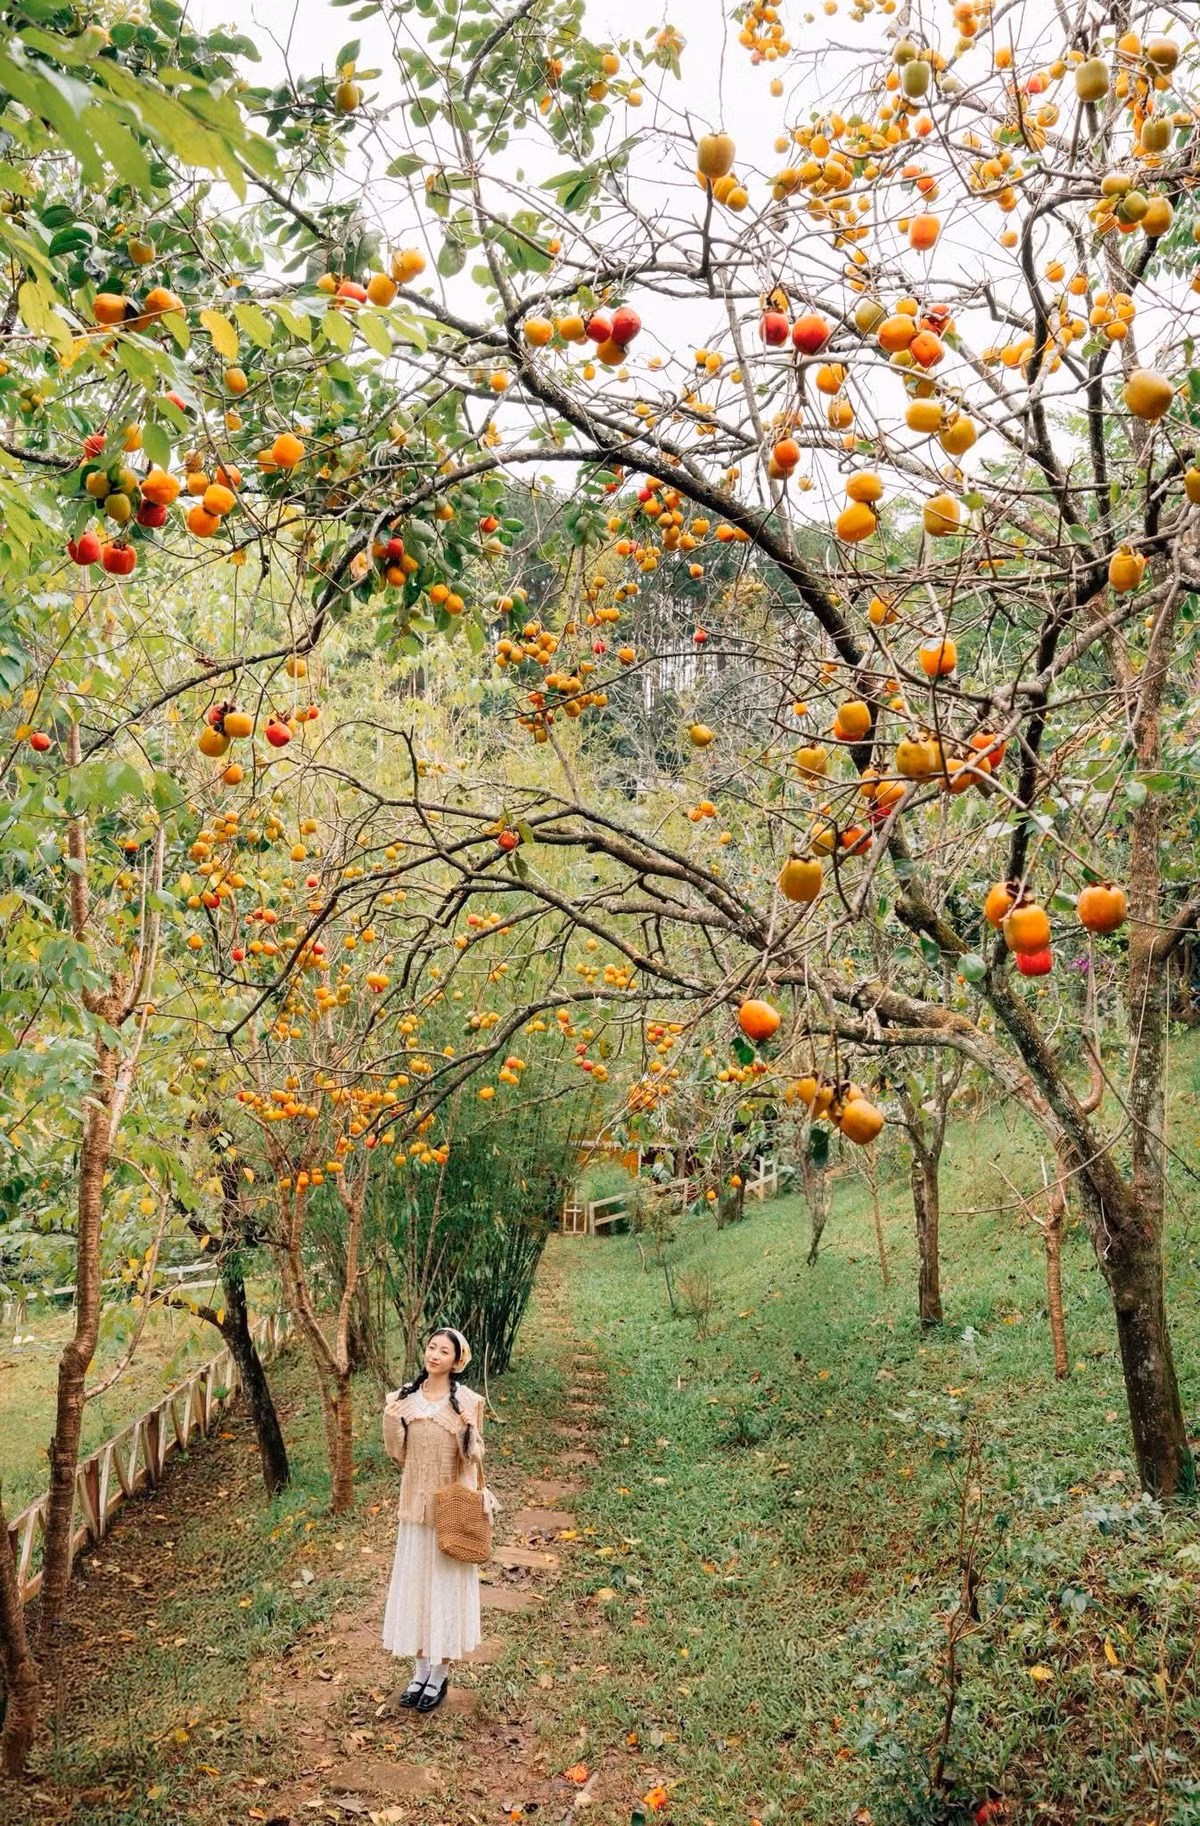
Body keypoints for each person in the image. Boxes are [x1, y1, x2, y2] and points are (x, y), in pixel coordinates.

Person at [381, 1326, 487, 1713]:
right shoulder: (402, 1399)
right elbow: (396, 1453)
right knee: (416, 1589)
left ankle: (439, 1675)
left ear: (457, 1360)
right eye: (431, 1347)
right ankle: (419, 1669)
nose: (434, 1355)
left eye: (444, 1350)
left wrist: (467, 1429)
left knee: (443, 1590)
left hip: (449, 1512)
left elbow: (473, 1458)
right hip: (414, 1510)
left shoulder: (468, 1401)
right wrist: (392, 1420)